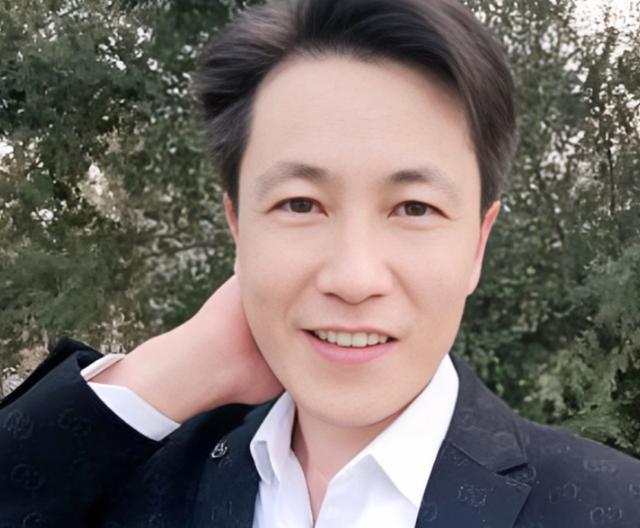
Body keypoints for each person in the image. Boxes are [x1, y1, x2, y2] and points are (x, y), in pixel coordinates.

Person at [1, 0, 639, 526]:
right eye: (300, 204)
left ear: (477, 243)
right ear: (238, 227)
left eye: (415, 208)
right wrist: (172, 373)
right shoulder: (135, 478)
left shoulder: (612, 505)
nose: (354, 279)